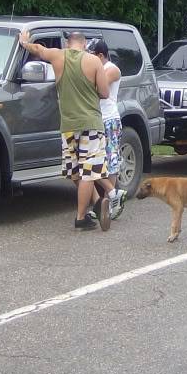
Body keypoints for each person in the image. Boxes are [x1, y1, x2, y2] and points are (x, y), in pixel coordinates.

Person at [17, 29, 119, 231]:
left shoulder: (57, 55)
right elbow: (105, 93)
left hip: (68, 126)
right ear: (84, 44)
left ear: (67, 44)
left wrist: (24, 42)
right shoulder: (94, 62)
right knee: (89, 172)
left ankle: (98, 202)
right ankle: (81, 216)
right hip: (90, 124)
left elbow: (38, 49)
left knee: (74, 171)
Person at [87, 39, 127, 221]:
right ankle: (104, 201)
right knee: (92, 161)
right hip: (94, 119)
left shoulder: (112, 69)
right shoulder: (94, 68)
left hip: (109, 119)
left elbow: (96, 87)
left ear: (100, 55)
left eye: (90, 55)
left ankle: (109, 202)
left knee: (109, 162)